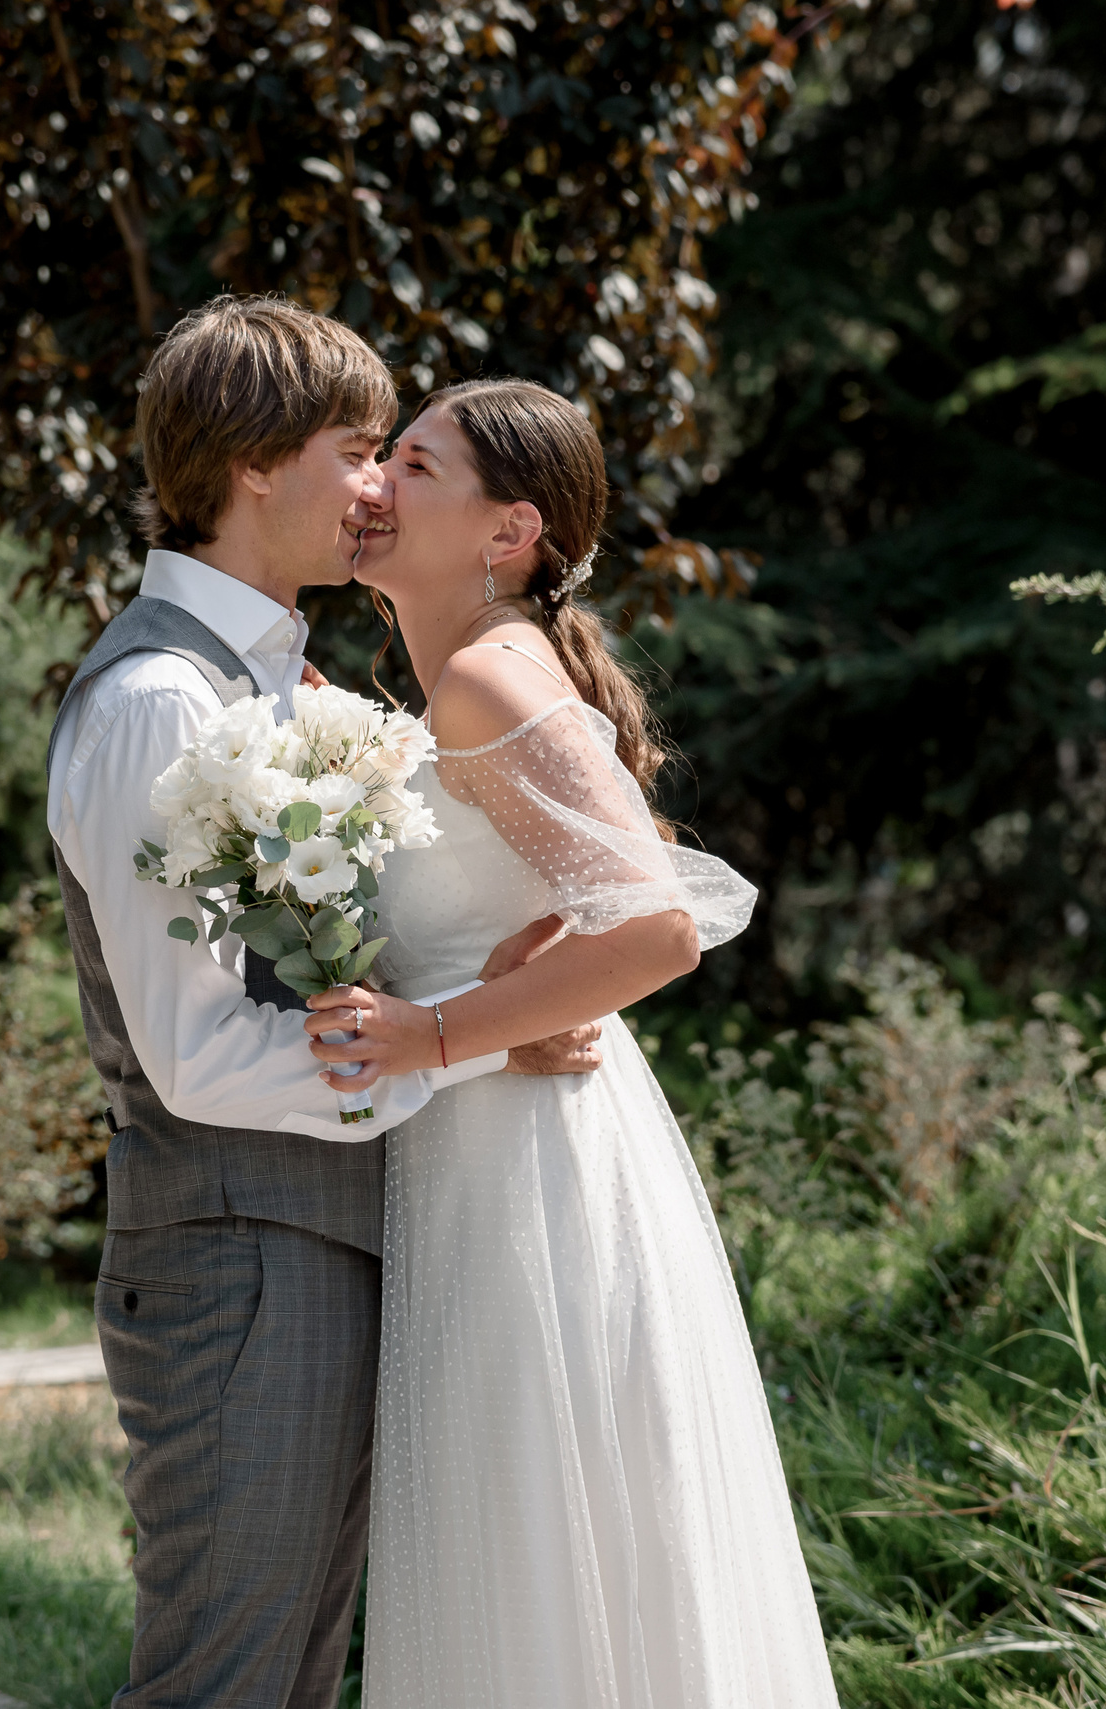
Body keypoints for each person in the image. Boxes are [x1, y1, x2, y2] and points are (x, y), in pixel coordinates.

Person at [45, 300, 605, 1709]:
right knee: (222, 1689)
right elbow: (195, 1055)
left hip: (312, 1245)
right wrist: (469, 1043)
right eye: (358, 449)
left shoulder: (282, 685)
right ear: (252, 463)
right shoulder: (159, 701)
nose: (376, 487)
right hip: (235, 1263)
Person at [306, 379, 841, 1707]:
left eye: (415, 466)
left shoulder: (487, 676)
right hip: (497, 1150)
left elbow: (657, 928)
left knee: (533, 1545)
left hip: (526, 1175)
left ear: (511, 532)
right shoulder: (462, 677)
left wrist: (435, 1034)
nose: (375, 486)